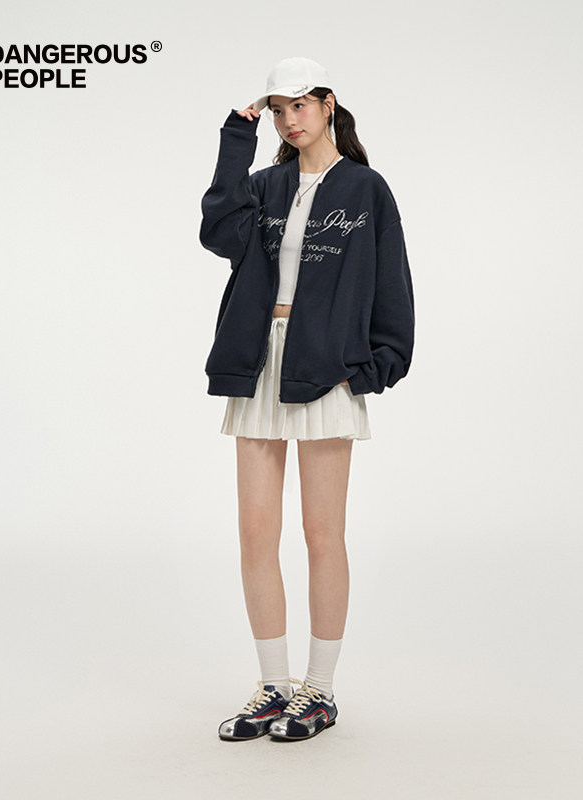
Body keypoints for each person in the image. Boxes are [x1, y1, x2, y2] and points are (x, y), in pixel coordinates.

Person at [199, 57, 415, 741]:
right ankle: (273, 686)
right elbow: (217, 234)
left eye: (299, 105)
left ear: (327, 104)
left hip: (327, 368)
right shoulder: (264, 186)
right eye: (277, 109)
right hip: (259, 362)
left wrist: (376, 367)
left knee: (323, 534)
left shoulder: (365, 188)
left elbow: (392, 281)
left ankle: (318, 690)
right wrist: (235, 140)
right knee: (255, 533)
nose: (289, 120)